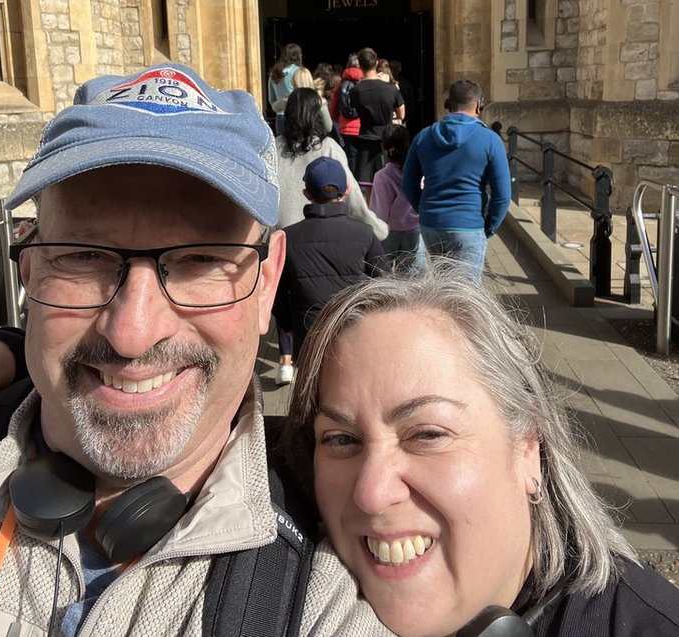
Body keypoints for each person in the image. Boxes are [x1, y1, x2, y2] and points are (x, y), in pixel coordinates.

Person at [0, 64, 387, 637]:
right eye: (83, 256)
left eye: (201, 261)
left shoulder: (324, 584)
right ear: (30, 271)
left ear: (268, 282)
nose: (132, 333)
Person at [284, 263, 679, 637]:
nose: (372, 494)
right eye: (340, 439)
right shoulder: (287, 591)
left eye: (427, 435)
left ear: (528, 447)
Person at [274, 87, 388, 384]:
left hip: (285, 236)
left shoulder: (272, 148)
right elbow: (353, 200)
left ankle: (286, 360)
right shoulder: (329, 149)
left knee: (288, 294)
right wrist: (375, 229)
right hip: (334, 232)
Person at [273, 156, 386, 360]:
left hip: (309, 333)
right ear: (348, 190)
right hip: (353, 326)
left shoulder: (288, 237)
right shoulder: (365, 234)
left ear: (306, 194)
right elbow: (384, 284)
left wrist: (288, 326)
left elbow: (278, 295)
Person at [402, 78, 510, 282]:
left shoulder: (423, 137)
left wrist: (425, 209)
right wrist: (489, 227)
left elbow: (408, 184)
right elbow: (502, 195)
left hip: (431, 224)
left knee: (441, 290)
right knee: (464, 297)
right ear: (479, 105)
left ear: (448, 105)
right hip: (468, 224)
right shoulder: (490, 140)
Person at [369, 124, 423, 271]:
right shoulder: (418, 172)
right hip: (414, 228)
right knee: (410, 274)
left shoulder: (382, 176)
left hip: (389, 231)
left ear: (383, 147)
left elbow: (380, 212)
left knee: (382, 271)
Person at [350, 48, 404, 190]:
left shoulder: (356, 90)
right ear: (377, 63)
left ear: (360, 66)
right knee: (390, 184)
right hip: (387, 138)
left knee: (367, 187)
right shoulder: (391, 88)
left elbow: (354, 110)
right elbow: (401, 114)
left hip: (366, 138)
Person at [328, 53, 363, 175]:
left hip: (346, 128)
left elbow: (332, 109)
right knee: (364, 158)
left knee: (350, 157)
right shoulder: (365, 83)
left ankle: (352, 184)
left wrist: (338, 119)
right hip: (363, 126)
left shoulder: (340, 85)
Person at [268, 42, 303, 135]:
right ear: (298, 56)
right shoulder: (298, 72)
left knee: (282, 147)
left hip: (280, 116)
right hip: (296, 116)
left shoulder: (273, 73)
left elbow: (271, 99)